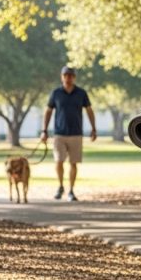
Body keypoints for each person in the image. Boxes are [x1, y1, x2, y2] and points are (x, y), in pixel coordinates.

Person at [40, 66, 96, 201]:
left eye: (70, 75)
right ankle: (60, 186)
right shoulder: (56, 93)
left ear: (74, 77)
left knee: (73, 163)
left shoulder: (81, 93)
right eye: (65, 75)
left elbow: (89, 111)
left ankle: (71, 190)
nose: (68, 78)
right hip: (59, 133)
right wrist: (44, 130)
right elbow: (48, 111)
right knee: (58, 161)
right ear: (62, 77)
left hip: (76, 133)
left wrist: (93, 128)